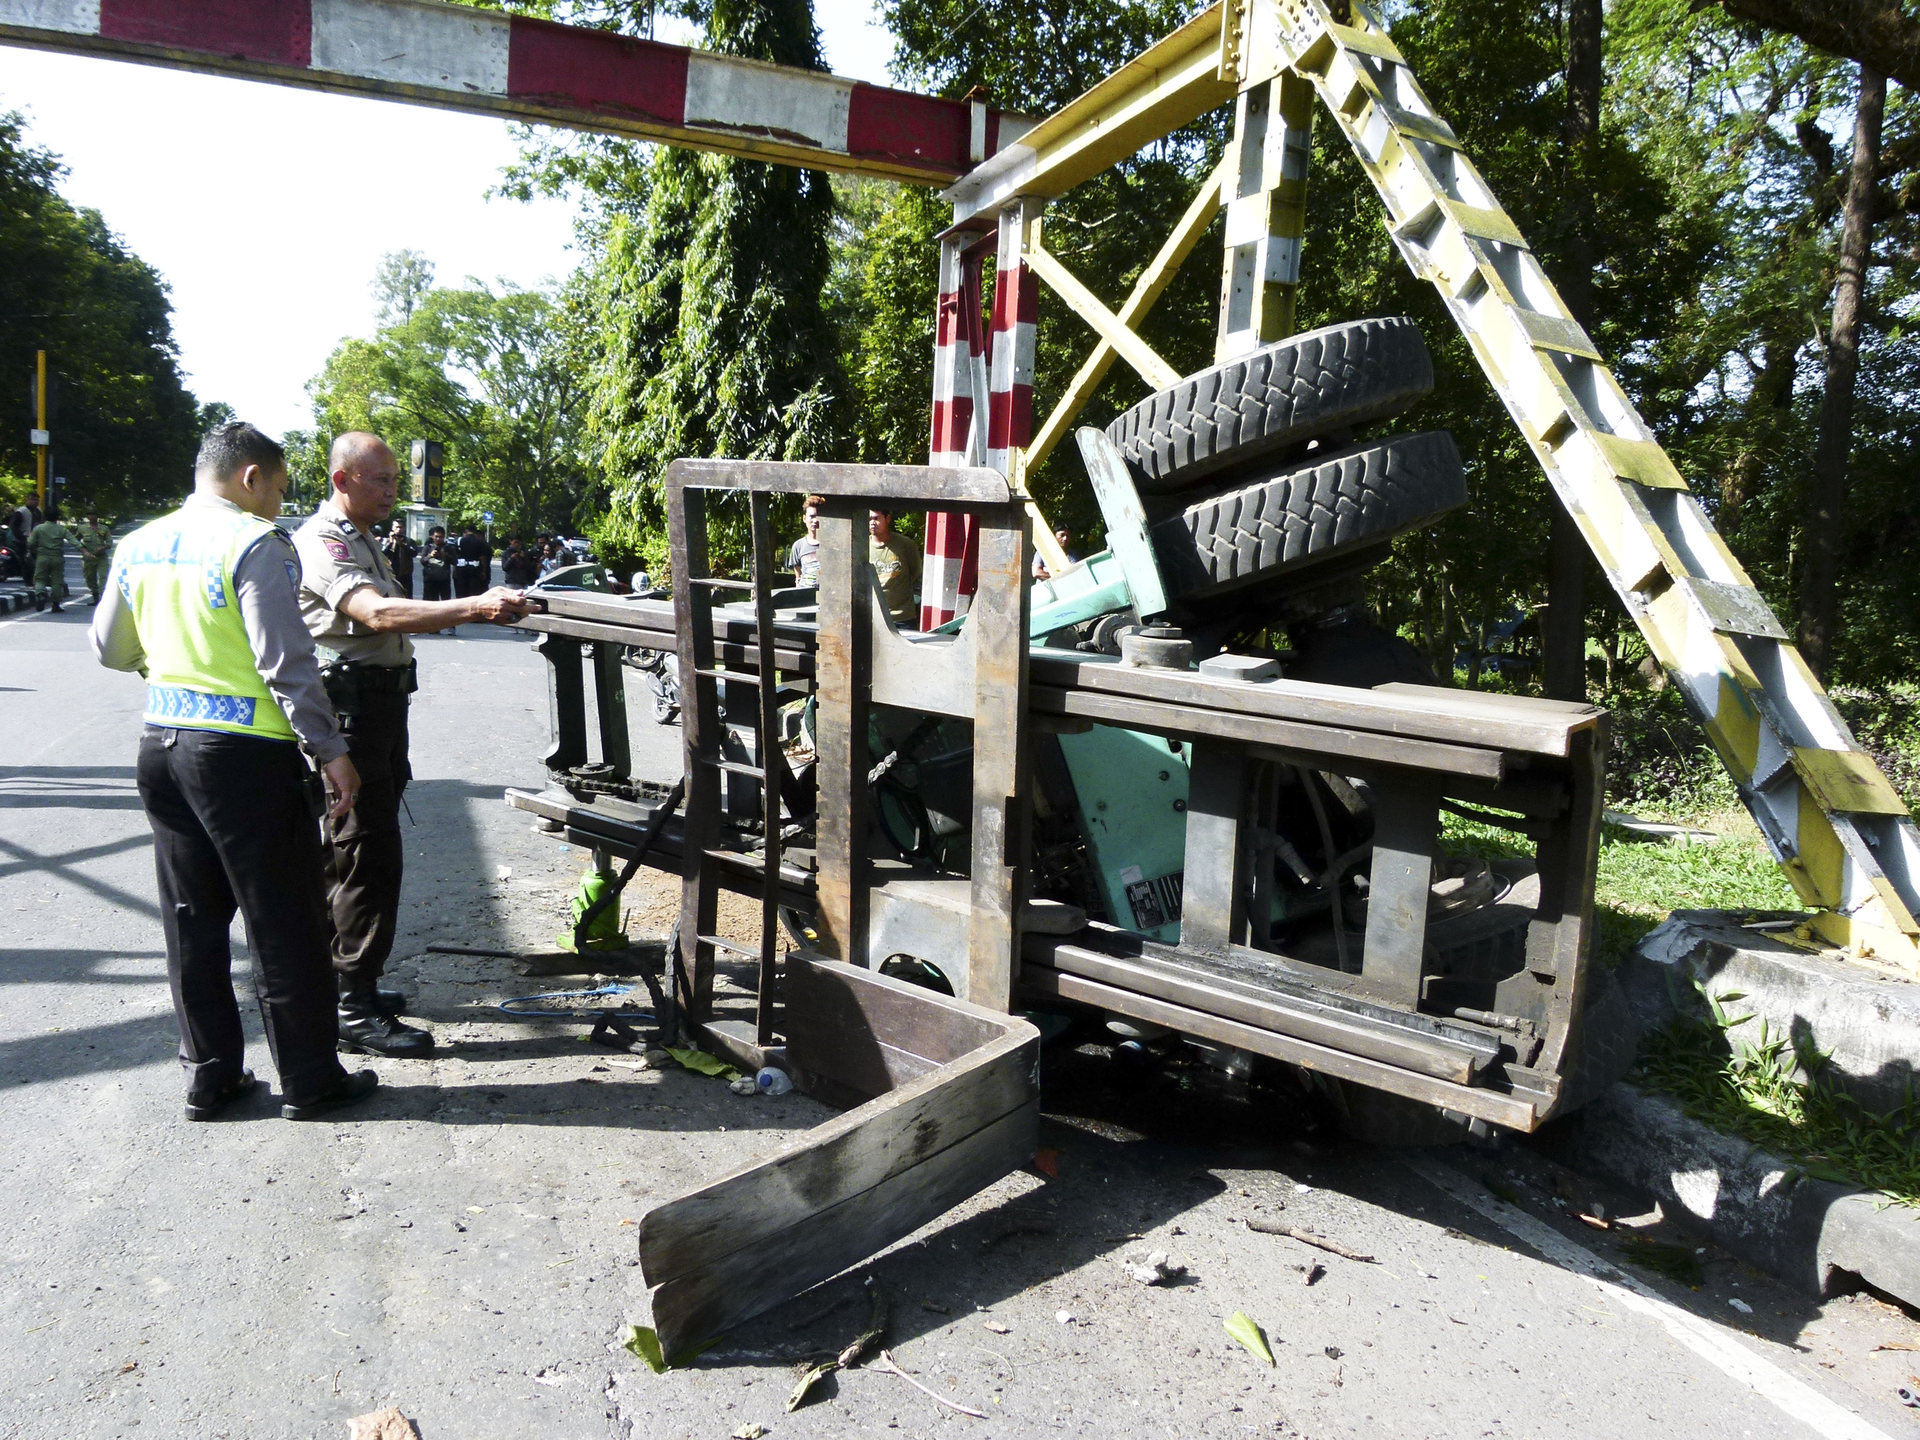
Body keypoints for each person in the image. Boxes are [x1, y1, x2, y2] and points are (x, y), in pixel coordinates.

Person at [88, 420, 376, 1122]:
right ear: (251, 477)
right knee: (286, 924)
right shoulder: (254, 542)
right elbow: (284, 659)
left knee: (192, 920)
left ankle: (210, 1075)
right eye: (278, 488)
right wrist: (330, 749)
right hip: (244, 755)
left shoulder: (138, 544)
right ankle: (310, 1081)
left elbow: (108, 647)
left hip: (163, 744)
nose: (280, 503)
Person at [295, 433, 532, 1057]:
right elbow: (376, 614)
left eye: (396, 479)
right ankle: (350, 1002)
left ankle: (350, 986)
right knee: (362, 855)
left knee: (361, 849)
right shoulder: (326, 540)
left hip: (375, 711)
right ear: (343, 480)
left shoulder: (365, 534)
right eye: (381, 480)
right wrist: (477, 606)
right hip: (351, 716)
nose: (393, 491)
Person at [868, 510, 921, 629]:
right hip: (873, 617)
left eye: (876, 518)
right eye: (870, 519)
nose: (872, 523)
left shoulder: (906, 545)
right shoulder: (862, 546)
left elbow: (916, 573)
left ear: (887, 519)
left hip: (903, 618)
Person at [28, 503, 71, 612]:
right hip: (57, 558)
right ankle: (55, 604)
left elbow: (31, 543)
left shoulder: (38, 528)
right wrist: (85, 551)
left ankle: (40, 594)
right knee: (57, 581)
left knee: (40, 579)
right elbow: (74, 541)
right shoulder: (62, 530)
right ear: (57, 517)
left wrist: (34, 550)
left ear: (44, 516)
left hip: (42, 557)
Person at [73, 509, 113, 604]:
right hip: (88, 558)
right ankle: (95, 596)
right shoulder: (82, 528)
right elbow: (74, 540)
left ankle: (103, 597)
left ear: (97, 516)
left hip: (101, 557)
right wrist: (82, 549)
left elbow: (109, 542)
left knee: (103, 576)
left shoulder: (104, 528)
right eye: (89, 515)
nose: (92, 517)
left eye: (94, 514)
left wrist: (102, 548)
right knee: (90, 578)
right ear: (87, 516)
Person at [786, 495, 824, 583]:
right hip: (806, 594)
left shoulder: (832, 545)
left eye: (818, 516)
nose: (815, 520)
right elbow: (798, 578)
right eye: (812, 516)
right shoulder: (798, 546)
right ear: (804, 518)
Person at [453, 524, 492, 599]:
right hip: (475, 570)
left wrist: (454, 570)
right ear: (475, 532)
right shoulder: (480, 542)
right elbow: (482, 558)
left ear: (466, 531)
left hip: (461, 569)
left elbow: (456, 557)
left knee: (461, 593)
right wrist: (483, 571)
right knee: (473, 594)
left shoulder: (459, 541)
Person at [382, 524, 418, 599]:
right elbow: (382, 553)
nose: (398, 529)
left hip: (405, 574)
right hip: (390, 574)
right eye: (396, 527)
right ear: (392, 528)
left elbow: (414, 553)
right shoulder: (386, 540)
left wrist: (402, 545)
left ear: (404, 528)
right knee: (391, 597)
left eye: (400, 527)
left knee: (407, 597)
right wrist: (391, 542)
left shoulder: (409, 541)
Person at [419, 526, 452, 602]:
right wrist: (430, 556)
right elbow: (422, 561)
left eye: (440, 537)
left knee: (446, 603)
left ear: (444, 537)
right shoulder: (427, 547)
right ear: (432, 536)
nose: (438, 539)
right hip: (430, 581)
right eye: (436, 536)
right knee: (430, 603)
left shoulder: (448, 548)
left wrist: (445, 555)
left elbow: (455, 561)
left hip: (444, 581)